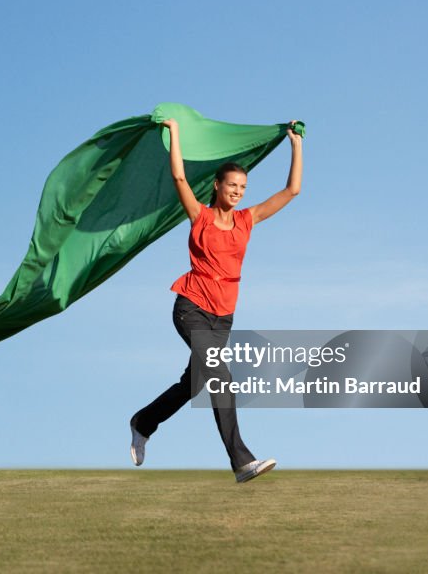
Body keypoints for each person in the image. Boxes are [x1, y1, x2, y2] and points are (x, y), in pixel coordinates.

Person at [129, 117, 303, 483]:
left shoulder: (247, 220)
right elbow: (178, 178)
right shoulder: (201, 216)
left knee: (192, 384)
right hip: (191, 307)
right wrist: (175, 133)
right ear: (218, 185)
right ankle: (241, 461)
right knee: (222, 377)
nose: (238, 191)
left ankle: (143, 421)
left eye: (243, 186)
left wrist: (295, 144)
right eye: (232, 185)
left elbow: (292, 191)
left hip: (222, 317)